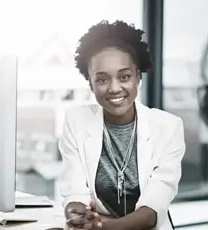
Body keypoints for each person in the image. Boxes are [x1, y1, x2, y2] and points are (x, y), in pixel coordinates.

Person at [58, 20, 186, 230]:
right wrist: (78, 218)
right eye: (101, 80)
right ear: (90, 83)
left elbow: (151, 212)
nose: (114, 88)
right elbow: (74, 194)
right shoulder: (76, 121)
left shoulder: (168, 127)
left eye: (124, 77)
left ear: (138, 77)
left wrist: (101, 227)